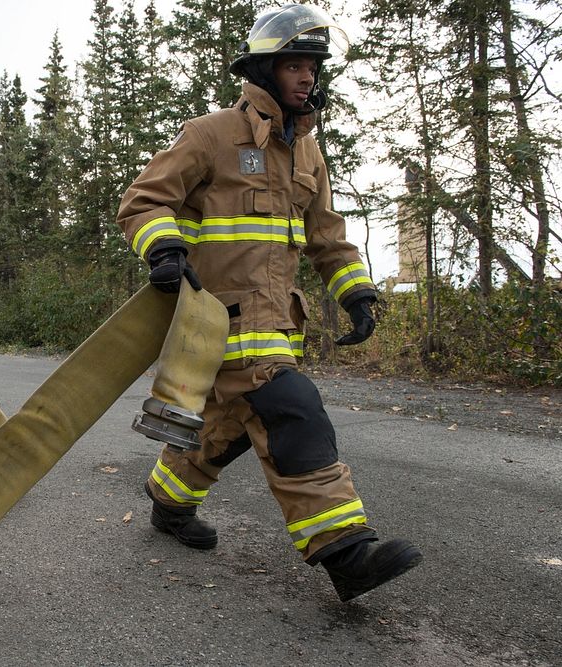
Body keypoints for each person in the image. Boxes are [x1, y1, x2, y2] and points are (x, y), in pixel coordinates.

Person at [116, 4, 422, 602]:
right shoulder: (210, 135)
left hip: (278, 325)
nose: (307, 75)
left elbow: (327, 235)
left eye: (313, 65)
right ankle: (345, 553)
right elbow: (142, 201)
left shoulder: (308, 154)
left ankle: (166, 501)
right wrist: (163, 249)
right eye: (294, 64)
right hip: (215, 322)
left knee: (226, 426)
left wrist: (356, 291)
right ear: (263, 69)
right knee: (292, 409)